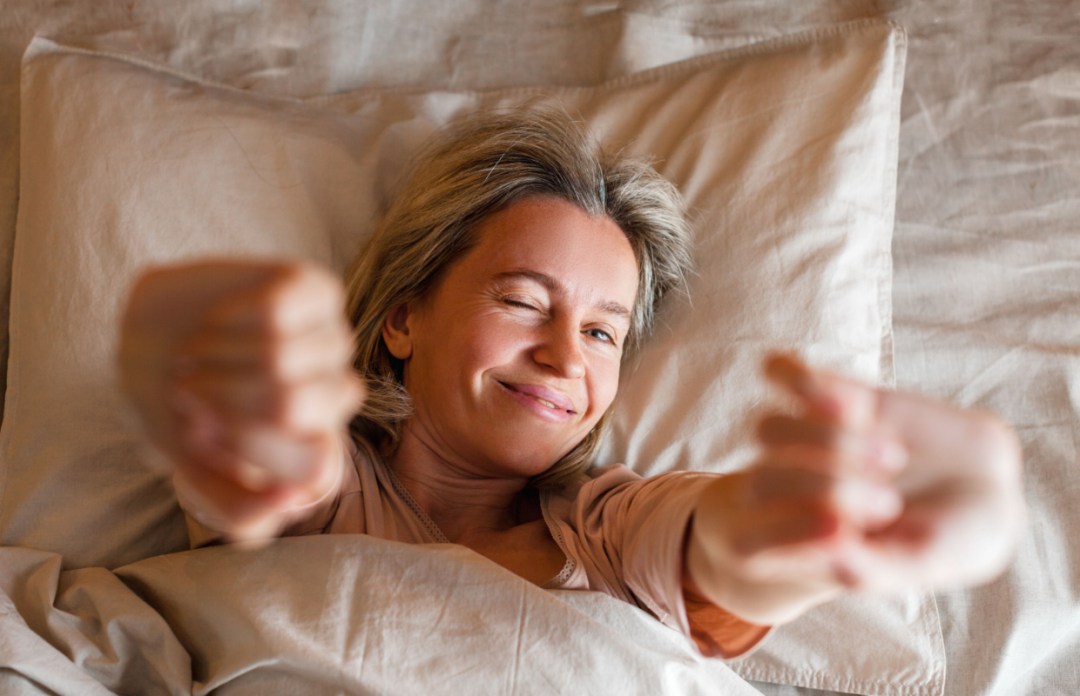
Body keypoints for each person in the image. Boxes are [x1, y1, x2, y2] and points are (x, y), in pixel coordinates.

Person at [118, 108, 1024, 658]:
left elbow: (723, 546)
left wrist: (828, 516)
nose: (565, 355)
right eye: (522, 301)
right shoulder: (334, 495)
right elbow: (276, 459)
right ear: (403, 317)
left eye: (602, 332)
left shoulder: (602, 528)